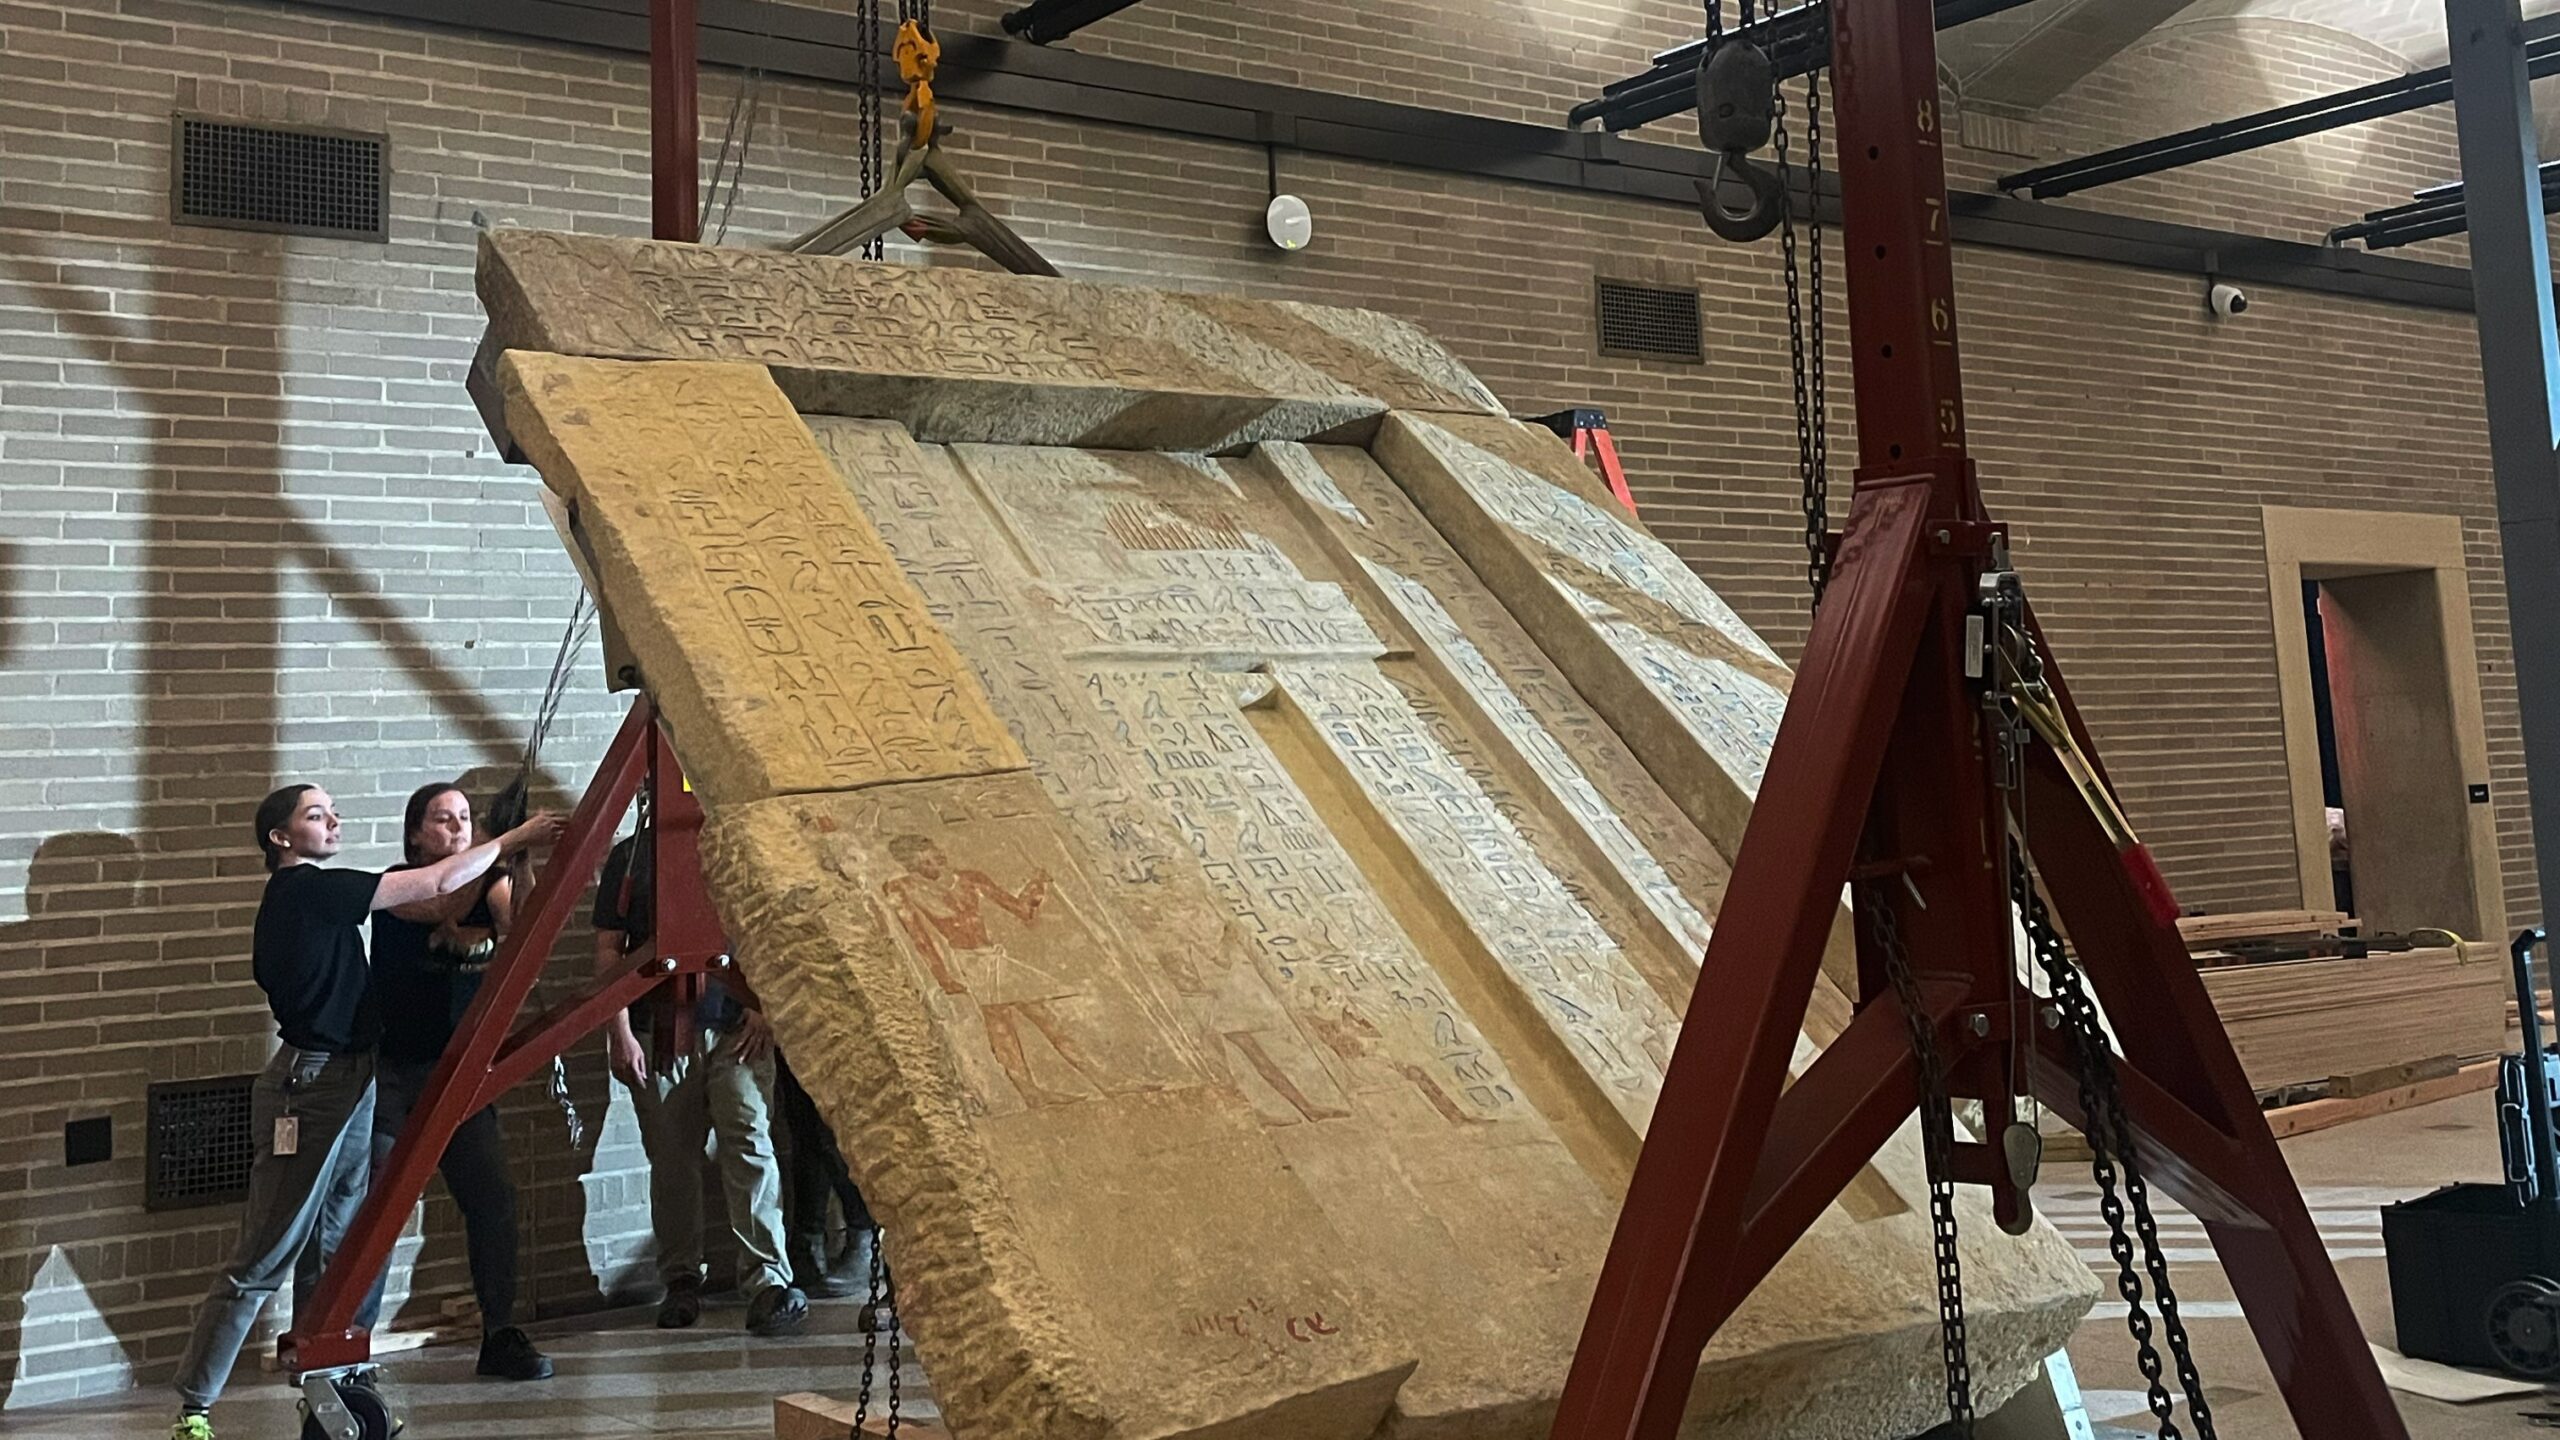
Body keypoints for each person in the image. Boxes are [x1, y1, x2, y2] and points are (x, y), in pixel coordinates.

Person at [169, 784, 558, 1440]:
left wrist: (509, 865)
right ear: (281, 839)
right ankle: (194, 1407)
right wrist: (515, 839)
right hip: (311, 1084)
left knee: (338, 1242)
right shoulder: (305, 889)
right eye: (314, 814)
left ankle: (332, 1375)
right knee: (269, 1250)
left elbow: (477, 905)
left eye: (331, 810)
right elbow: (435, 882)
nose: (332, 820)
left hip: (353, 1076)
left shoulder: (313, 894)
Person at [353, 781, 552, 1382]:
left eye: (465, 818)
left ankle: (498, 1334)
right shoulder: (398, 883)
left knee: (492, 1202)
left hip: (460, 1078)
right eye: (443, 819)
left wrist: (520, 863)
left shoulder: (485, 880)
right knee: (376, 1211)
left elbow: (528, 932)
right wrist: (507, 841)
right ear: (416, 832)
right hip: (395, 1077)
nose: (457, 828)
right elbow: (436, 904)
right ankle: (350, 1344)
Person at [593, 831, 806, 1337]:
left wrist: (764, 1005)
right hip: (661, 1030)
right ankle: (682, 1280)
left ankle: (768, 1282)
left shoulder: (744, 846)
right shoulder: (633, 856)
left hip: (736, 1029)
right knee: (672, 1161)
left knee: (751, 1145)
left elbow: (778, 927)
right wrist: (619, 1030)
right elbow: (609, 949)